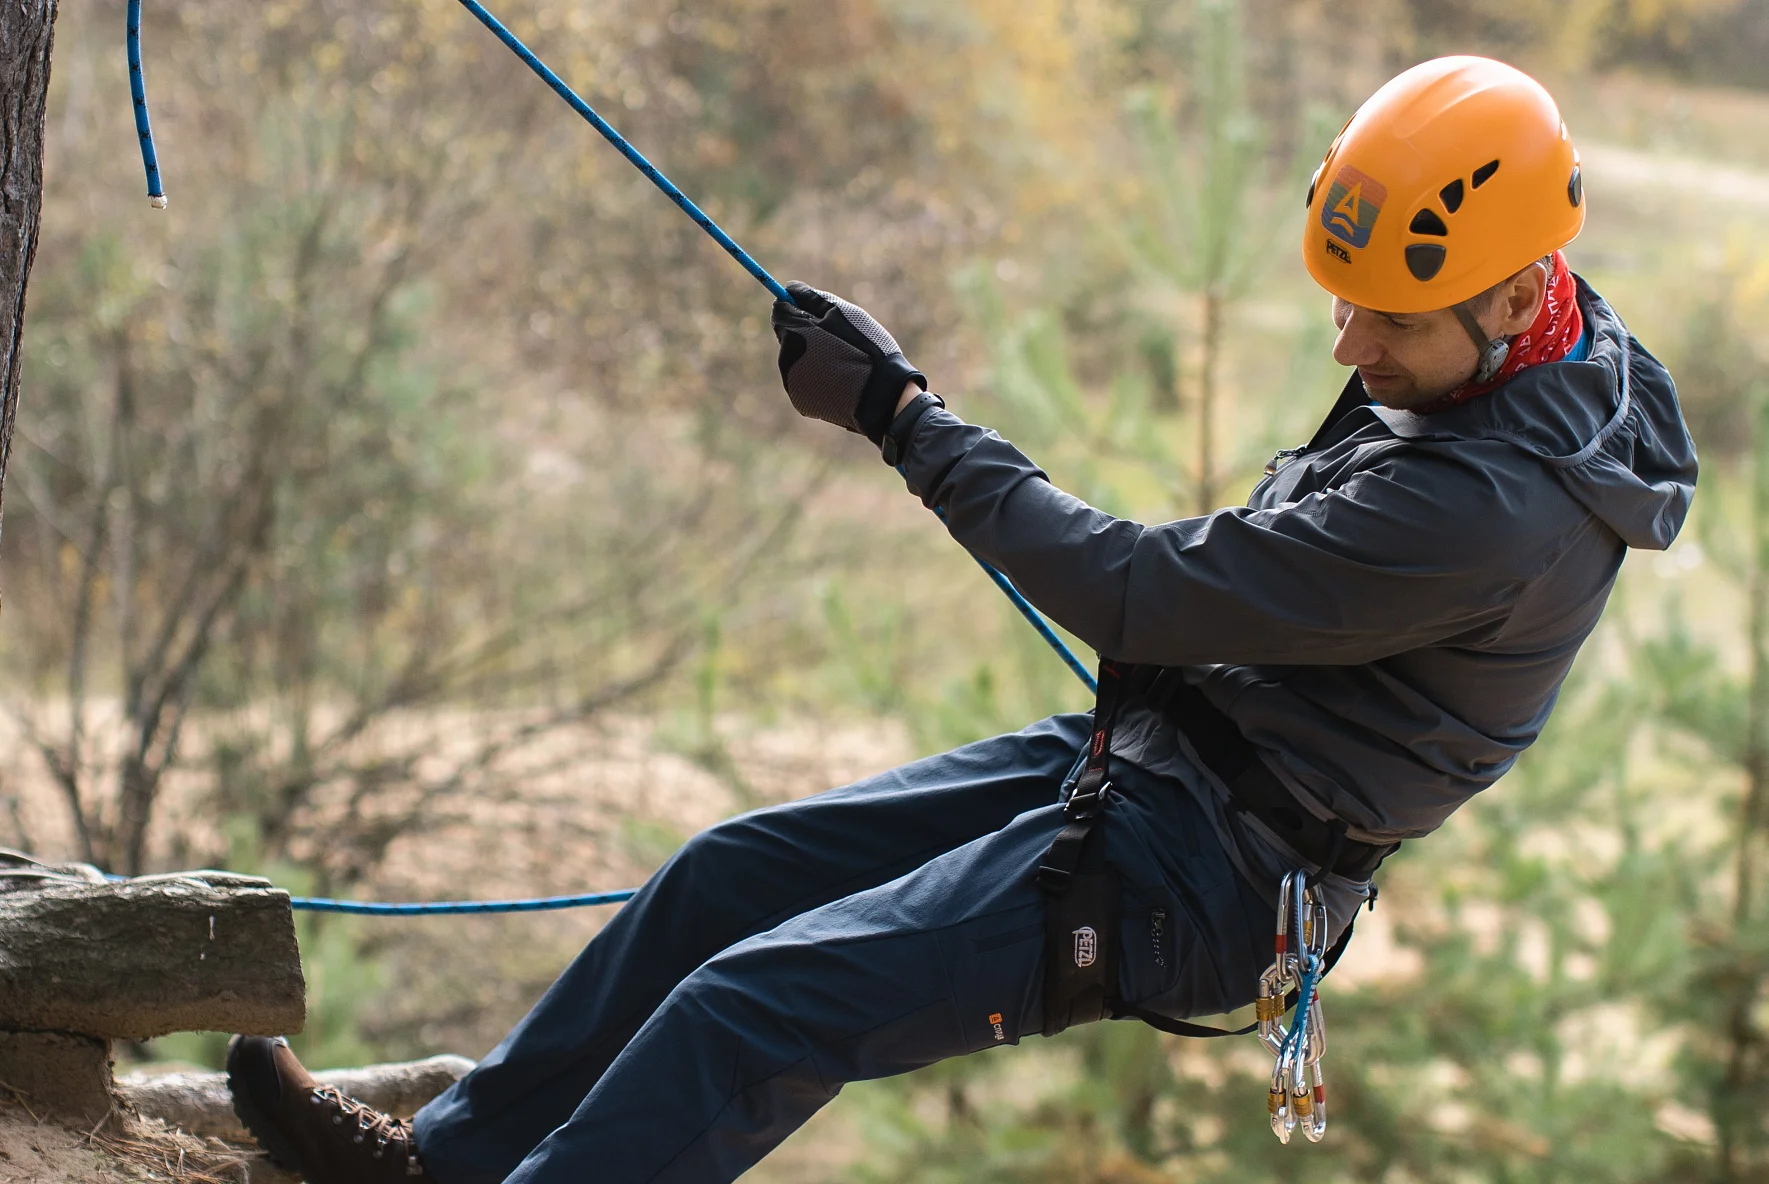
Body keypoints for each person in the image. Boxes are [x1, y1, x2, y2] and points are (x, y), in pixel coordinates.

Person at [224, 55, 1696, 1184]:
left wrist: (903, 418)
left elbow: (1138, 587)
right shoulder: (1546, 337)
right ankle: (452, 1160)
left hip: (1209, 876)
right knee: (726, 879)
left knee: (758, 1009)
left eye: (1389, 323)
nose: (1346, 344)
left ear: (1512, 298)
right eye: (1349, 301)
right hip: (1168, 761)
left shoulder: (1489, 513)